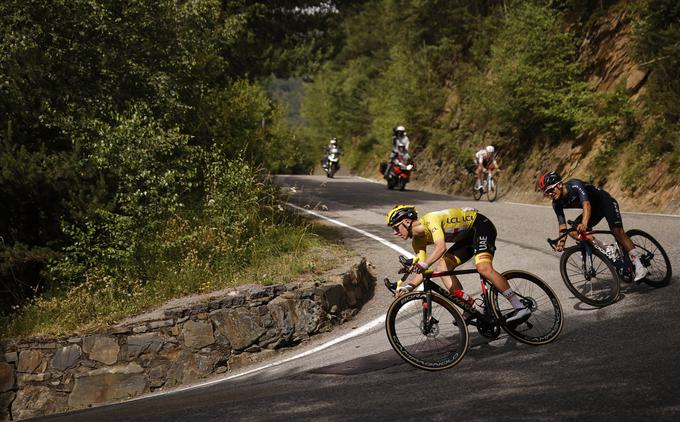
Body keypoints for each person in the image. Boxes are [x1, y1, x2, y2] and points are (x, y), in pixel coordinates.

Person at [386, 204, 531, 323]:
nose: (395, 232)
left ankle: (520, 307)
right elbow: (423, 269)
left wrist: (423, 265)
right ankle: (472, 306)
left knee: (483, 268)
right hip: (466, 239)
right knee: (442, 268)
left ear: (406, 222)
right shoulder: (417, 241)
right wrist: (408, 287)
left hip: (480, 227)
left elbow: (441, 247)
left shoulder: (431, 220)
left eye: (395, 227)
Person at [537, 171, 648, 281]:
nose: (549, 194)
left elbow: (586, 204)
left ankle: (639, 266)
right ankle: (608, 249)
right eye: (547, 192)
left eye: (551, 190)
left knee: (617, 232)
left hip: (605, 202)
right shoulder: (556, 204)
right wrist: (561, 243)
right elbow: (562, 225)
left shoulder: (575, 185)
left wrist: (584, 223)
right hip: (594, 210)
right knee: (573, 231)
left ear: (560, 184)